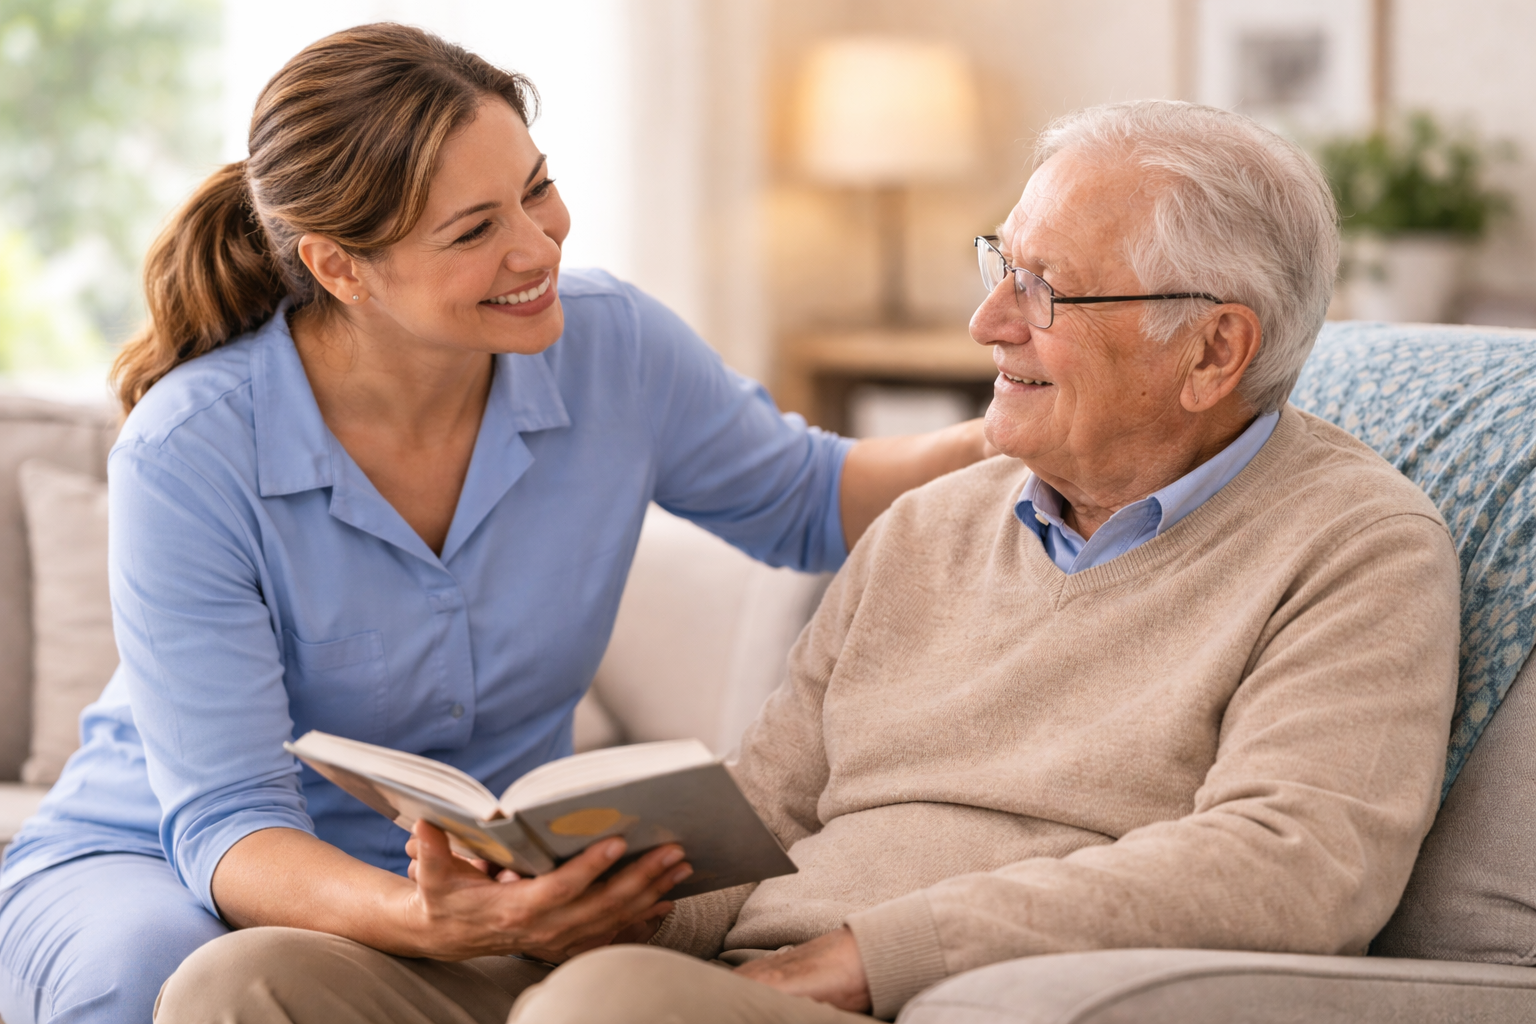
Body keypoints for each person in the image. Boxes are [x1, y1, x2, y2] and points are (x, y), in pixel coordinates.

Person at [160, 99, 1463, 1022]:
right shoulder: (937, 525)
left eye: (1047, 292)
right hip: (723, 976)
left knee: (611, 1012)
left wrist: (857, 956)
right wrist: (570, 892)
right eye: (997, 267)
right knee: (248, 982)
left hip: (915, 991)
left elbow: (1293, 868)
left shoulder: (1352, 549)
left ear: (1214, 352)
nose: (985, 320)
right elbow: (765, 813)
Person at [0, 24, 996, 1024]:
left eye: (537, 187)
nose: (538, 245)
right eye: (474, 231)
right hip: (163, 859)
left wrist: (1018, 424)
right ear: (341, 269)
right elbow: (227, 821)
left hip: (475, 886)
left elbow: (812, 499)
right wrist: (421, 918)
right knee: (158, 980)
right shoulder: (191, 450)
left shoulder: (614, 346)